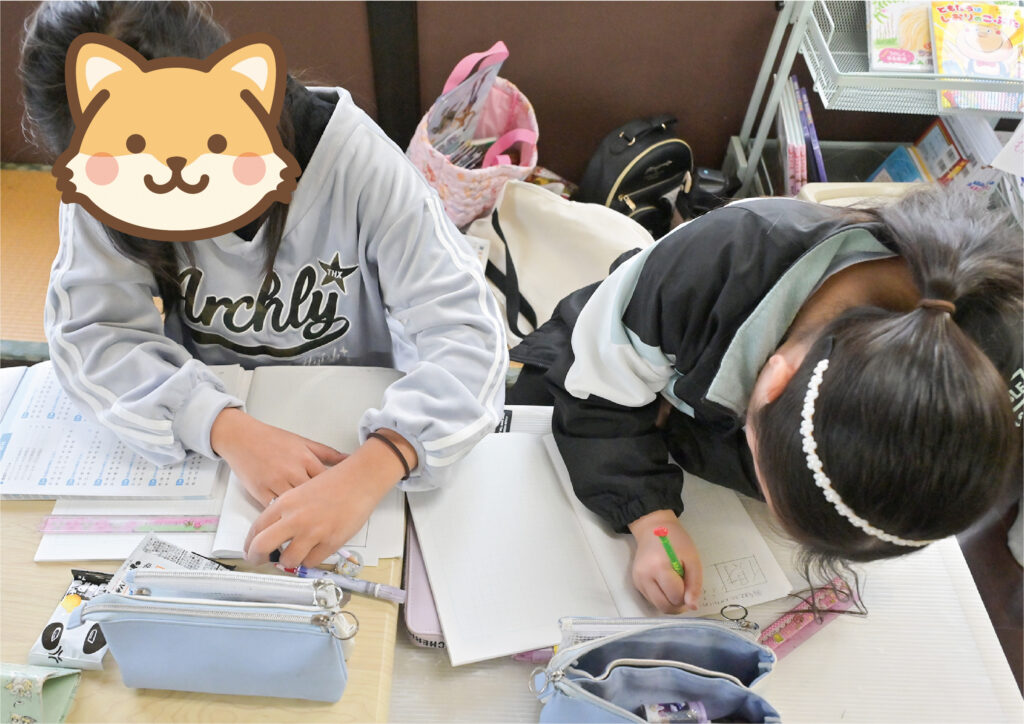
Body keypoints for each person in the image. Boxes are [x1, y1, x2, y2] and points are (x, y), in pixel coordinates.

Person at [20, 1, 507, 568]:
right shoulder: (104, 170)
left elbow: (467, 331)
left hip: (355, 419)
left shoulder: (352, 158)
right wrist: (223, 426)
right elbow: (91, 333)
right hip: (217, 446)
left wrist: (378, 464)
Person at [509, 187, 1022, 614]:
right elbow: (595, 392)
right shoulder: (718, 261)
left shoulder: (988, 359)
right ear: (772, 379)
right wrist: (650, 517)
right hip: (599, 371)